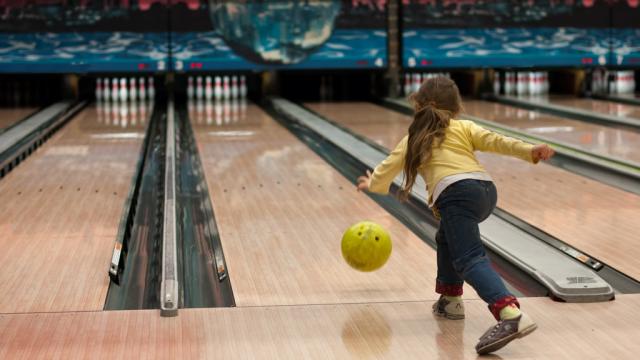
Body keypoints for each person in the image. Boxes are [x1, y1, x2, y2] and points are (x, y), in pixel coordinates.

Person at [356, 76, 554, 355]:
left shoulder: (415, 135)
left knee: (469, 257)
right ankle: (450, 299)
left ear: (420, 105)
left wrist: (373, 183)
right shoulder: (464, 127)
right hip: (485, 191)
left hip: (456, 194)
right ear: (457, 108)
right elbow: (496, 141)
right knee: (447, 237)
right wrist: (529, 151)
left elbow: (389, 167)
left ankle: (510, 314)